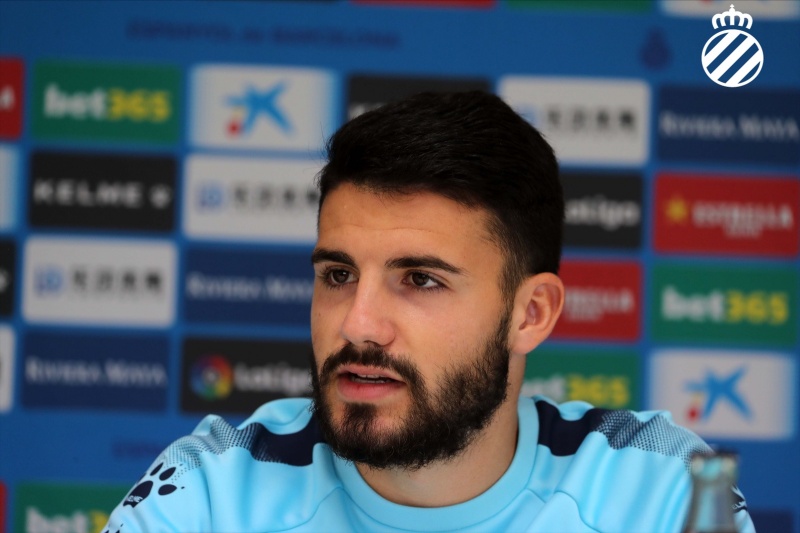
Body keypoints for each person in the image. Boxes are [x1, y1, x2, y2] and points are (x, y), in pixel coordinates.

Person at [103, 91, 754, 533]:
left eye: (419, 279)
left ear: (531, 313)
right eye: (338, 275)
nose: (357, 324)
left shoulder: (659, 490)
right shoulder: (209, 494)